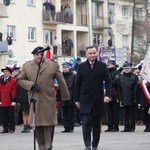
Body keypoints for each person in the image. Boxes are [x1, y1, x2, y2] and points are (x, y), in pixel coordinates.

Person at [17, 46, 70, 150]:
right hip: (35, 102)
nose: (39, 56)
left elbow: (61, 82)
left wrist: (65, 98)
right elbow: (20, 80)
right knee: (38, 128)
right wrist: (31, 85)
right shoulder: (27, 66)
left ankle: (48, 147)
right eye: (37, 55)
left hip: (48, 101)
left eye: (41, 54)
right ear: (33, 55)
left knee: (49, 127)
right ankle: (41, 147)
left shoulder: (52, 65)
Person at [74, 46, 111, 150]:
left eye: (94, 53)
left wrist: (108, 95)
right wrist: (76, 99)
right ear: (86, 54)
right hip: (85, 99)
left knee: (96, 125)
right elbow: (77, 83)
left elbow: (108, 81)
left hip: (98, 99)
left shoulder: (102, 66)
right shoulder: (81, 67)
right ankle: (87, 145)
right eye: (90, 53)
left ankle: (95, 145)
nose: (92, 55)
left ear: (96, 53)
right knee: (86, 123)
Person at [118, 62, 138, 132]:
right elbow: (119, 88)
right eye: (125, 68)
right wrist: (120, 98)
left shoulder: (134, 77)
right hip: (123, 97)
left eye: (128, 68)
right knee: (125, 114)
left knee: (131, 114)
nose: (126, 70)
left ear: (131, 69)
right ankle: (126, 127)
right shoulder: (121, 77)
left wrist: (135, 98)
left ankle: (132, 127)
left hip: (132, 97)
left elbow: (136, 88)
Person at [12, 67, 31, 133]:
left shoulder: (22, 80)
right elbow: (17, 91)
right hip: (22, 98)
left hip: (26, 98)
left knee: (26, 113)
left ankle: (27, 125)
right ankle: (26, 126)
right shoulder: (17, 80)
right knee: (24, 113)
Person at [0, 66, 17, 133]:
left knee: (11, 116)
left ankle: (12, 128)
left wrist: (14, 100)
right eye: (4, 72)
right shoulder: (1, 79)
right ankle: (5, 128)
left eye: (6, 71)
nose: (5, 73)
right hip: (2, 99)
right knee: (3, 116)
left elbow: (14, 90)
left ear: (9, 73)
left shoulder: (12, 80)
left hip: (9, 99)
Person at [60, 62, 76, 133]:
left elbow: (75, 87)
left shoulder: (73, 76)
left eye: (66, 67)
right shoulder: (61, 76)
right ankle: (66, 127)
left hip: (70, 96)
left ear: (69, 68)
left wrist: (75, 98)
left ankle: (71, 127)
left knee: (70, 113)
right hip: (63, 96)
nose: (65, 69)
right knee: (65, 113)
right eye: (63, 67)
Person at [105, 60, 120, 132]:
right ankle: (109, 126)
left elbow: (115, 82)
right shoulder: (106, 72)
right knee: (109, 111)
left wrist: (108, 82)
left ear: (113, 65)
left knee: (115, 111)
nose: (107, 65)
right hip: (107, 94)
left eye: (109, 64)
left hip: (114, 94)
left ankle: (115, 126)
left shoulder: (116, 72)